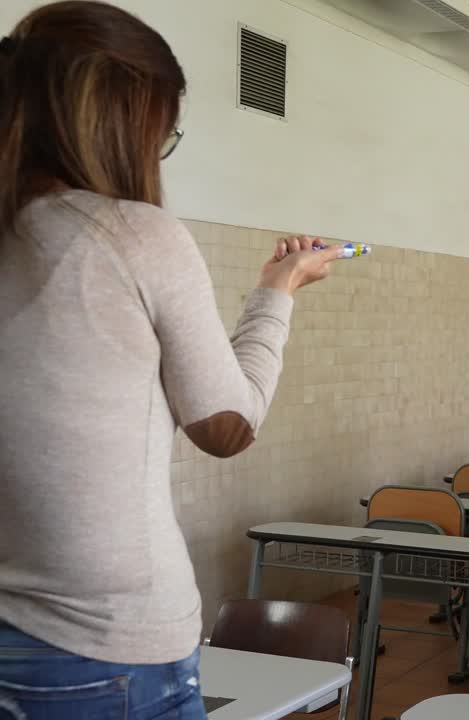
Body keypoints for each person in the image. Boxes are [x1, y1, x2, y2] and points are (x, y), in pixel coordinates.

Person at [0, 3, 342, 717]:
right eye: (164, 131)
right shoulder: (132, 234)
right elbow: (227, 428)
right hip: (104, 645)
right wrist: (276, 291)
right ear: (122, 120)